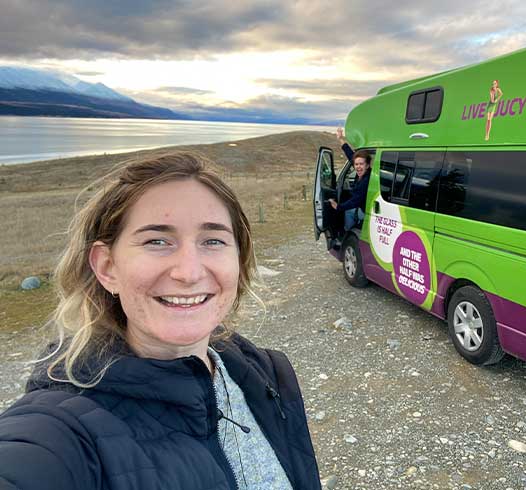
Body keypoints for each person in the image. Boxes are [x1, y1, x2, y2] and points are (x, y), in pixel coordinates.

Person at [0, 152, 320, 490]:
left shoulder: (266, 372)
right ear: (107, 267)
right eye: (157, 241)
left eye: (213, 240)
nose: (189, 272)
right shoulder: (62, 428)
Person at [329, 128, 372, 231]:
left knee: (349, 211)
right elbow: (350, 155)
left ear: (367, 165)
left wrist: (339, 207)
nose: (358, 167)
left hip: (367, 212)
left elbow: (354, 201)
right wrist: (341, 139)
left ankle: (349, 234)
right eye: (356, 164)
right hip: (365, 208)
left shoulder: (366, 181)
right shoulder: (363, 173)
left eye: (361, 164)